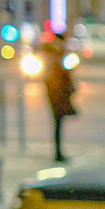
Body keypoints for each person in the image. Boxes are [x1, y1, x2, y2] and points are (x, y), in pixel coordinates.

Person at [42, 34, 76, 162]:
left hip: (57, 96)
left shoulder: (56, 55)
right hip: (57, 97)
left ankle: (58, 152)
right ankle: (58, 152)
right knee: (58, 125)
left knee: (58, 125)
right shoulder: (57, 56)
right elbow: (59, 80)